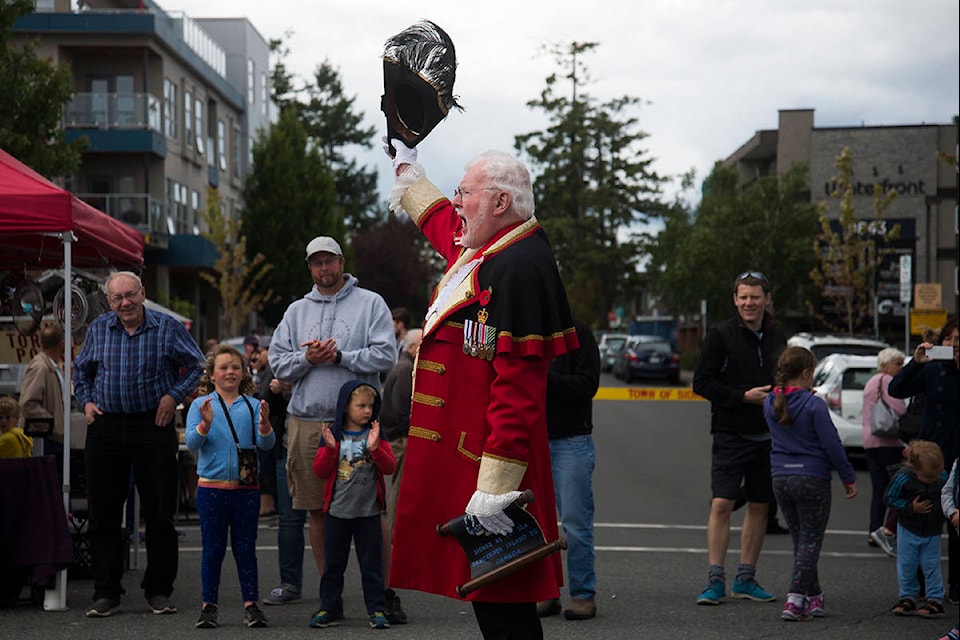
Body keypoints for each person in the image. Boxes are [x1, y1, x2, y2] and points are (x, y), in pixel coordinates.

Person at [385, 140, 578, 640]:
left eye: (464, 193)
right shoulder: (492, 247)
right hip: (469, 459)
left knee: (503, 602)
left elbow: (519, 389)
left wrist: (496, 491)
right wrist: (408, 169)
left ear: (499, 203)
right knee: (493, 599)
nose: (456, 203)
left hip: (491, 467)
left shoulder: (520, 266)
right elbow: (445, 228)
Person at [268, 236, 396, 608]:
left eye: (330, 261)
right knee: (317, 510)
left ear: (342, 262)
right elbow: (278, 362)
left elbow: (386, 355)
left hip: (357, 423)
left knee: (373, 509)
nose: (324, 269)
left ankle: (384, 592)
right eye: (316, 263)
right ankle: (331, 597)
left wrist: (340, 355)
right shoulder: (296, 311)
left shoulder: (370, 304)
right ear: (310, 268)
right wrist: (309, 359)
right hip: (307, 423)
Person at [73, 270, 205, 618]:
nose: (125, 303)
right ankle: (106, 592)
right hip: (105, 425)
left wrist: (173, 396)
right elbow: (80, 370)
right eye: (117, 298)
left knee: (160, 512)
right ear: (108, 301)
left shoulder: (167, 327)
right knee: (103, 512)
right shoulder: (99, 327)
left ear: (142, 292)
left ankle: (159, 590)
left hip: (153, 424)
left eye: (130, 294)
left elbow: (197, 365)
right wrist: (86, 402)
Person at [692, 270, 786, 606]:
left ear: (767, 299)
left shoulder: (778, 336)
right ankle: (714, 580)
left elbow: (784, 379)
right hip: (731, 432)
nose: (749, 303)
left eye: (755, 297)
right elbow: (701, 383)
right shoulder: (720, 335)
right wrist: (742, 397)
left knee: (760, 506)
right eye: (743, 297)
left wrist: (788, 395)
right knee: (722, 503)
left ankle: (746, 578)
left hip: (768, 436)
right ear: (735, 299)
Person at [763, 346, 857, 621]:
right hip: (812, 477)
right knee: (811, 540)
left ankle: (814, 597)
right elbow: (831, 444)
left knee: (801, 540)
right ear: (806, 373)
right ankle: (794, 598)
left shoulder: (770, 402)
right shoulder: (814, 404)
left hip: (780, 478)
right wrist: (848, 476)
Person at [184, 344, 275, 629]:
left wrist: (265, 427)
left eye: (235, 367)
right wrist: (204, 426)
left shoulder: (251, 404)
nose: (230, 372)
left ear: (244, 372)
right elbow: (191, 444)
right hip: (211, 489)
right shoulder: (201, 405)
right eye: (223, 367)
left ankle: (251, 605)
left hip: (246, 490)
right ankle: (208, 606)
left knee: (246, 549)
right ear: (211, 375)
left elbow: (266, 445)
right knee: (212, 550)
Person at [309, 381, 397, 629]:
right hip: (337, 512)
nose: (367, 411)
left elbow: (390, 467)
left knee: (371, 566)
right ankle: (329, 607)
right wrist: (328, 449)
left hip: (368, 513)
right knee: (333, 566)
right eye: (361, 406)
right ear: (346, 407)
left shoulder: (377, 433)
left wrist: (375, 448)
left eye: (370, 406)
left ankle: (378, 609)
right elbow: (319, 471)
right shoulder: (333, 434)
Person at [889, 315, 959, 605]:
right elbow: (896, 390)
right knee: (922, 518)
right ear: (941, 342)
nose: (956, 346)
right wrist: (915, 362)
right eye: (951, 340)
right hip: (931, 455)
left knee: (955, 521)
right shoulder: (933, 368)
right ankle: (916, 585)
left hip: (958, 457)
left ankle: (955, 583)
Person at [538, 318, 601, 621]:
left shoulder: (579, 333)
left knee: (575, 523)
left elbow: (588, 384)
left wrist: (542, 378)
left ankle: (582, 595)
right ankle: (545, 593)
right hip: (531, 441)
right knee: (538, 525)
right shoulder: (522, 330)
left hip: (571, 440)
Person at [379, 327, 423, 624]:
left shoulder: (400, 366)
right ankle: (392, 533)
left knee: (396, 488)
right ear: (412, 346)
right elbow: (402, 406)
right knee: (397, 489)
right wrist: (408, 435)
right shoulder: (406, 369)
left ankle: (392, 532)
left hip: (393, 436)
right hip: (399, 438)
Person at [885, 440, 948, 618]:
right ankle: (907, 596)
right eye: (928, 478)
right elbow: (889, 498)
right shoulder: (903, 477)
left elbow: (948, 495)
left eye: (935, 476)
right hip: (908, 528)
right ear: (913, 468)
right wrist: (911, 507)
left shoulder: (942, 477)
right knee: (907, 564)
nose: (932, 480)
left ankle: (934, 598)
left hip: (933, 529)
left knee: (931, 564)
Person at [861, 347, 908, 557]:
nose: (901, 368)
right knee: (895, 488)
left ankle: (873, 529)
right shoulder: (888, 381)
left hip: (871, 440)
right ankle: (888, 531)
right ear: (886, 365)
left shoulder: (871, 382)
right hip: (890, 442)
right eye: (898, 364)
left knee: (878, 489)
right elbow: (900, 409)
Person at [18, 323, 65, 468]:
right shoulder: (40, 368)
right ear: (61, 343)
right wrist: (50, 423)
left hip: (50, 438)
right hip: (44, 440)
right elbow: (28, 403)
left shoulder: (49, 367)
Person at [252, 336, 278, 519]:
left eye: (260, 352)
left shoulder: (273, 369)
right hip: (269, 424)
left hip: (272, 424)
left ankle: (270, 503)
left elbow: (266, 395)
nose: (258, 356)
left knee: (268, 467)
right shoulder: (265, 370)